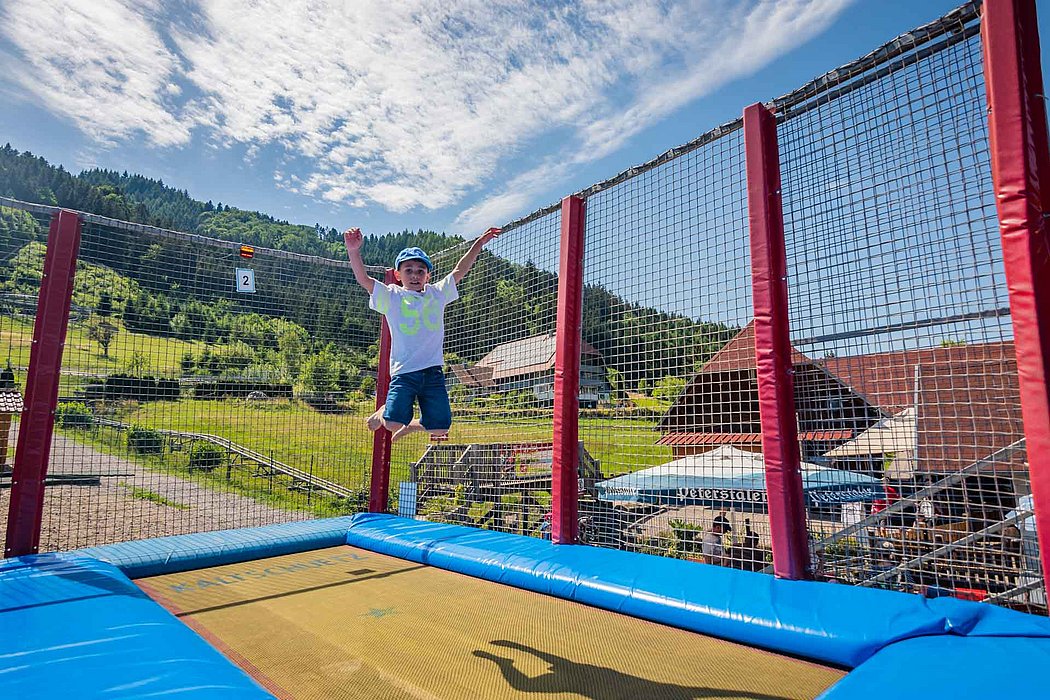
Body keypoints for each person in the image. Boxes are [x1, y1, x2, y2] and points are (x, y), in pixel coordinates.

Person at [344, 226, 501, 441]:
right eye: (408, 270)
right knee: (391, 423)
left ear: (428, 275)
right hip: (404, 372)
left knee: (440, 428)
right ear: (398, 275)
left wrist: (478, 244)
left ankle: (412, 426)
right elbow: (365, 280)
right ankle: (385, 410)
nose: (415, 275)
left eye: (420, 270)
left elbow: (459, 270)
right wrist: (353, 250)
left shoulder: (436, 294)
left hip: (432, 371)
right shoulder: (392, 296)